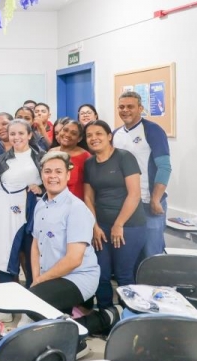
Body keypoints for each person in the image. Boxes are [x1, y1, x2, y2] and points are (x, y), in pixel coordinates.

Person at [26, 152, 121, 336]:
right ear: (41, 175)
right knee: (38, 310)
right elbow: (35, 245)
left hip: (78, 277)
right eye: (47, 171)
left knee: (35, 303)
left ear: (67, 176)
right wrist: (36, 278)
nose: (52, 176)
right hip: (51, 275)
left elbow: (74, 259)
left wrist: (39, 282)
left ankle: (103, 318)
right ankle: (65, 320)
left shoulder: (76, 209)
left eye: (58, 171)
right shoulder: (40, 205)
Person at [83, 120, 145, 310]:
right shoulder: (89, 163)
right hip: (101, 226)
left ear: (109, 136)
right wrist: (94, 226)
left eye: (99, 134)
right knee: (101, 273)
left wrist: (119, 224)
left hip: (129, 226)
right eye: (89, 135)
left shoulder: (124, 158)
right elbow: (88, 196)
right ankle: (106, 314)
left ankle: (130, 316)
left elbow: (134, 194)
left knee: (124, 274)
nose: (94, 138)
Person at [112, 91, 172, 261]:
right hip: (125, 204)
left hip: (148, 203)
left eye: (130, 106)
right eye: (121, 107)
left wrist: (155, 198)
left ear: (140, 108)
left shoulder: (152, 130)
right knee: (130, 255)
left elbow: (165, 167)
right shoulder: (116, 134)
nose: (125, 110)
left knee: (152, 254)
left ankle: (157, 287)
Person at [0, 118, 44, 292]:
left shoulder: (41, 156)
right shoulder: (1, 160)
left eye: (21, 133)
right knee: (5, 257)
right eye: (12, 134)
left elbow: (52, 182)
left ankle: (32, 303)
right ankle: (5, 304)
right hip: (7, 216)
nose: (16, 137)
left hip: (33, 214)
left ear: (29, 135)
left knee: (31, 258)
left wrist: (40, 187)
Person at [49, 119, 90, 200]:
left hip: (75, 205)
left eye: (73, 133)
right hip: (53, 202)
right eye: (65, 130)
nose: (67, 134)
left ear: (79, 138)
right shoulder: (51, 152)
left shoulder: (86, 157)